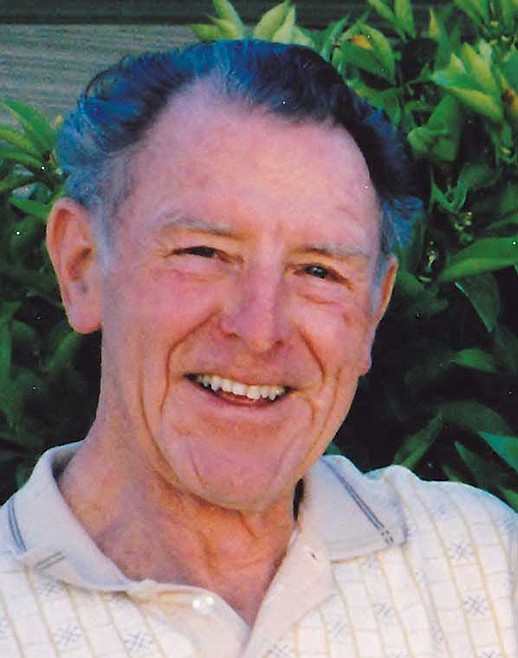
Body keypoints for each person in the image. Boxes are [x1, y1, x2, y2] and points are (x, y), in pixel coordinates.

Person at [0, 40, 516, 658]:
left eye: (319, 271)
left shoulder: (484, 565)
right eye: (203, 253)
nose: (259, 330)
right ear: (82, 267)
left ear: (372, 312)